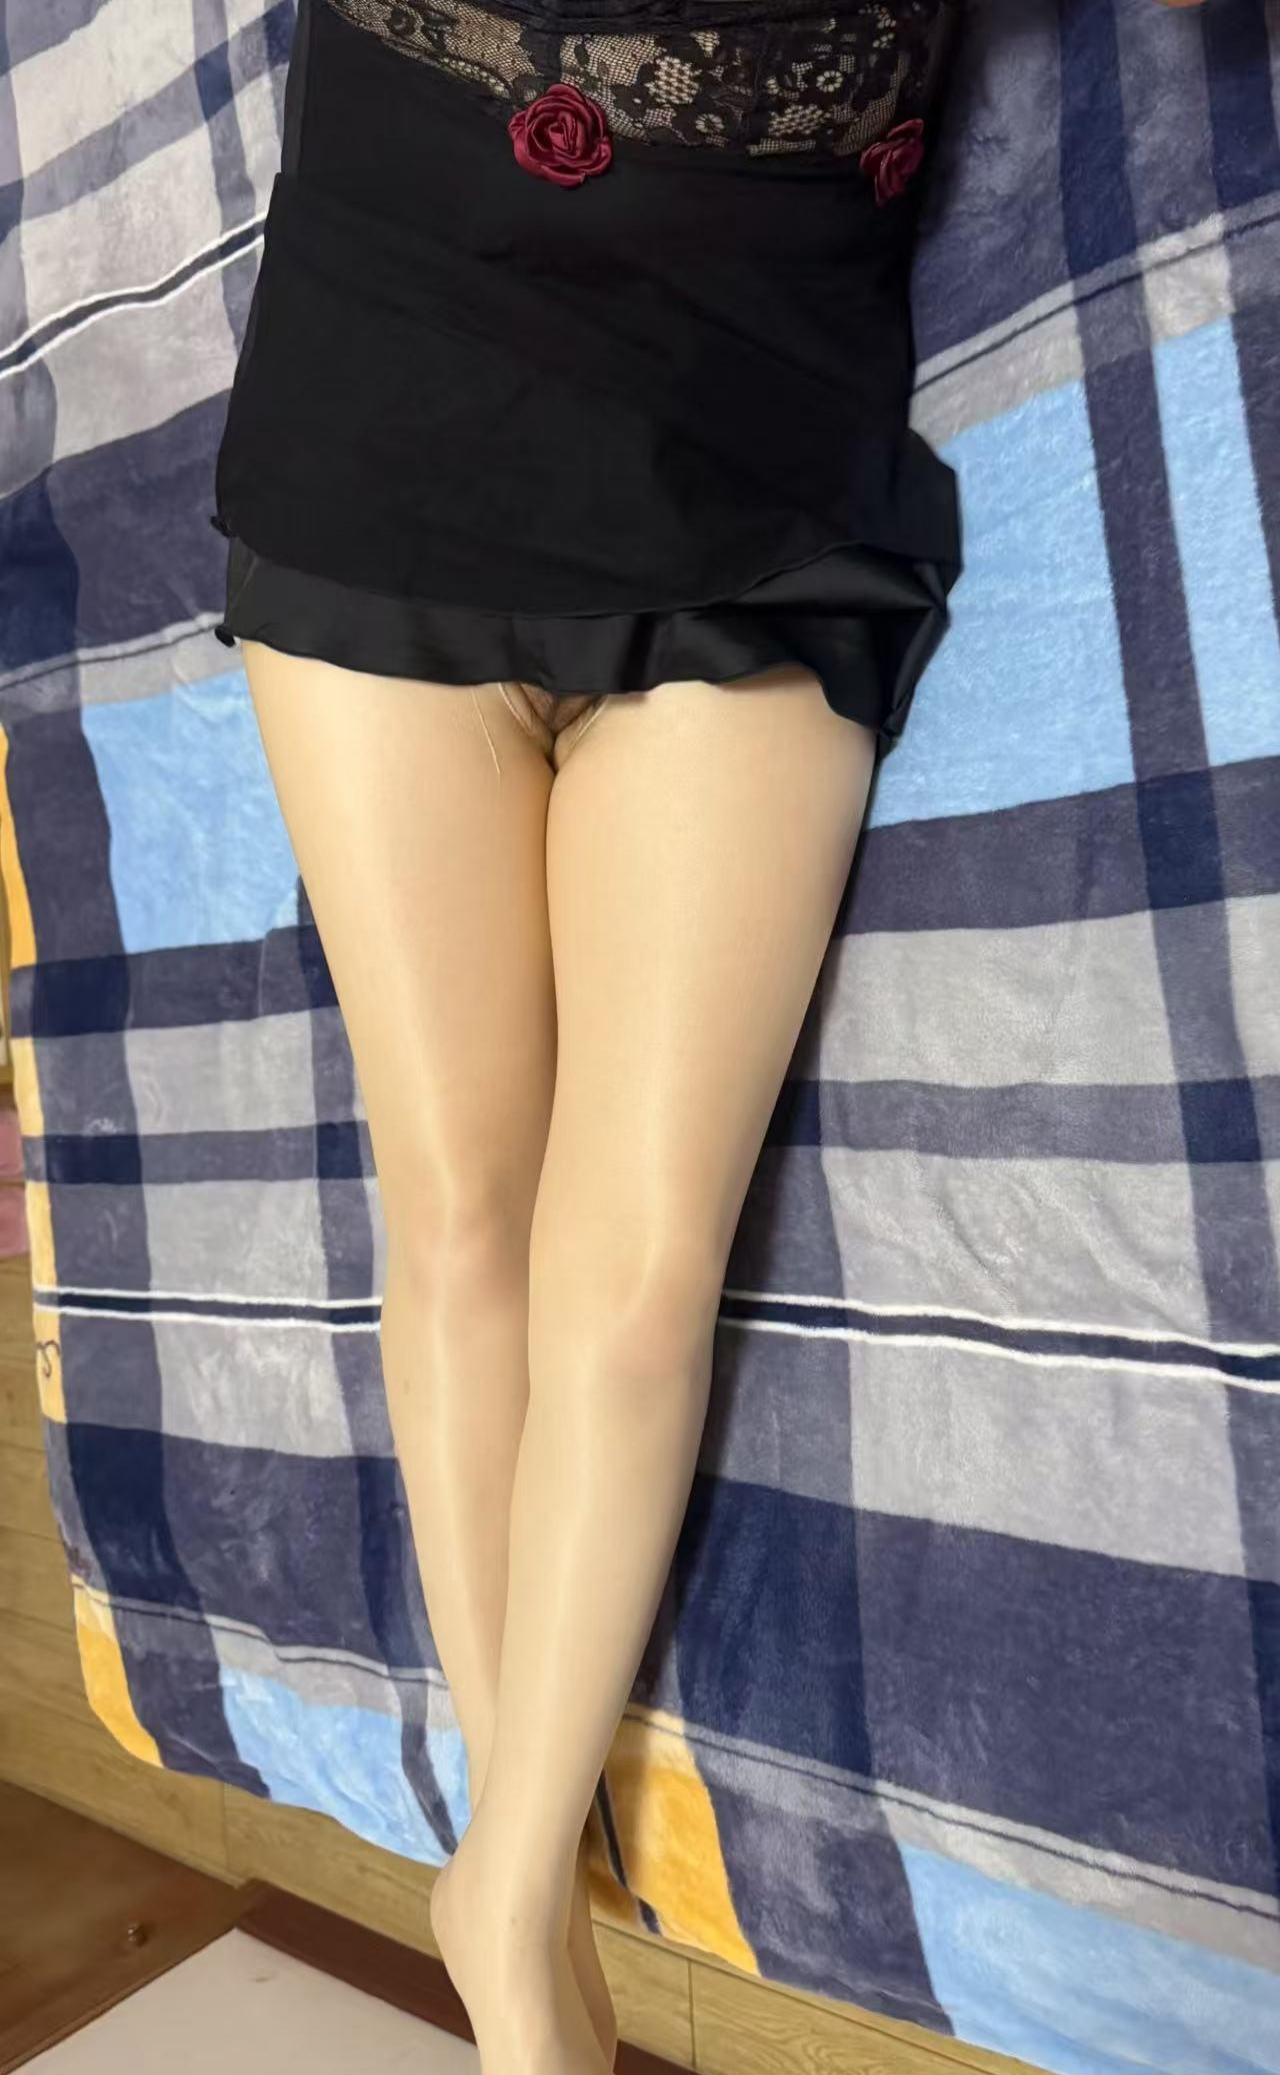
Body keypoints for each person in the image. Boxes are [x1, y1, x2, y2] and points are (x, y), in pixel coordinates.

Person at [208, 2, 1203, 2070]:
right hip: (382, 404)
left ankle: (500, 1893)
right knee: (458, 1195)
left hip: (758, 484)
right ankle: (516, 1925)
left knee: (643, 1269)